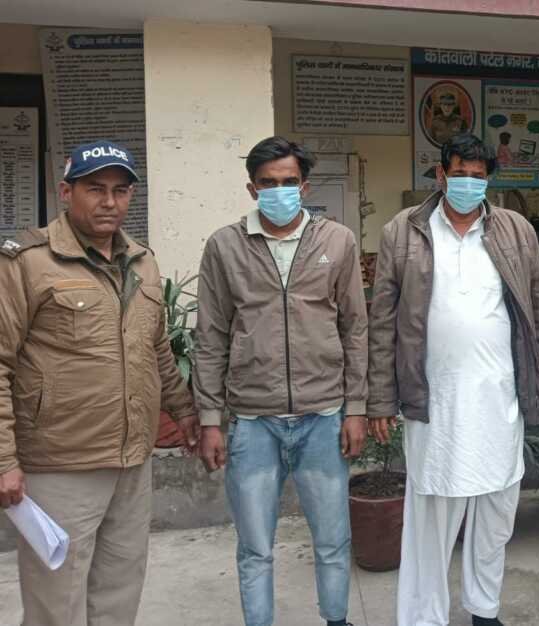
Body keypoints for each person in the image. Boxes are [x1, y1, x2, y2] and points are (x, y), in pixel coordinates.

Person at [367, 133, 539, 626]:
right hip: (432, 401)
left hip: (498, 399)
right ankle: (423, 617)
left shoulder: (515, 230)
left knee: (495, 512)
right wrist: (379, 400)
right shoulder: (404, 231)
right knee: (431, 516)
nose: (468, 183)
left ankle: (484, 609)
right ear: (441, 174)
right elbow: (382, 321)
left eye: (478, 176)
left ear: (489, 180)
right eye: (460, 174)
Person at [0, 140, 198, 626]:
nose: (110, 201)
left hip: (131, 461)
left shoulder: (142, 261)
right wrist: (4, 461)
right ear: (66, 192)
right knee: (56, 605)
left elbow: (156, 348)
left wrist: (185, 411)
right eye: (96, 189)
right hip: (60, 464)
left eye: (120, 190)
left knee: (119, 592)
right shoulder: (27, 262)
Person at [193, 136, 368, 626]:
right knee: (255, 546)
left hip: (323, 417)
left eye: (289, 182)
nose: (279, 191)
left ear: (304, 186)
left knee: (333, 540)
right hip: (254, 422)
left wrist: (356, 407)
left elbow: (355, 328)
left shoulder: (337, 241)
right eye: (268, 183)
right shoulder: (225, 246)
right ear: (252, 189)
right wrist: (210, 420)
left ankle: (336, 619)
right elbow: (211, 335)